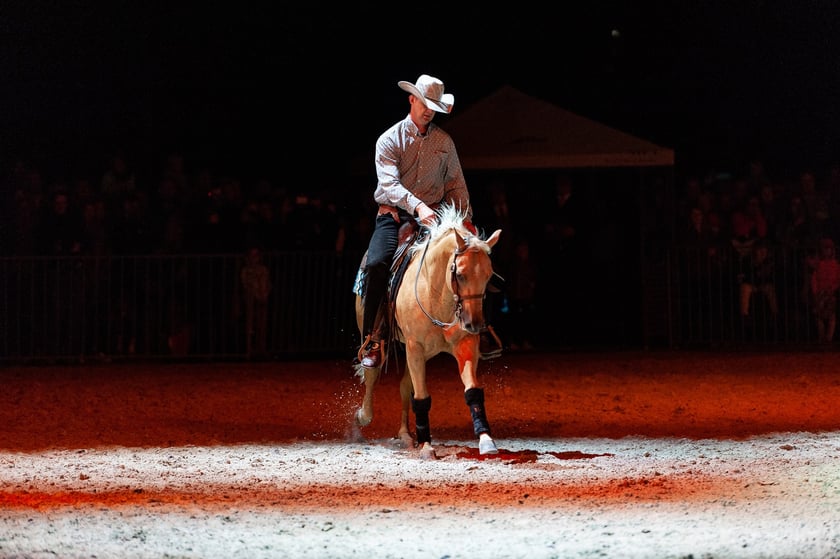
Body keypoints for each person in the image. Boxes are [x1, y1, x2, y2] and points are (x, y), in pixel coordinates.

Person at [357, 74, 497, 368]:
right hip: (393, 216)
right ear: (412, 99)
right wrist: (418, 206)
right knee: (376, 263)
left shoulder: (445, 143)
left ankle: (478, 328)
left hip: (435, 216)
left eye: (434, 105)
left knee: (472, 262)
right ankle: (374, 337)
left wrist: (465, 220)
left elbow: (456, 184)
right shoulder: (389, 139)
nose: (429, 110)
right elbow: (390, 185)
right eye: (424, 103)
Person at [810, 237, 840, 344]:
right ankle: (822, 337)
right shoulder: (819, 264)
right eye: (825, 248)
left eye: (829, 248)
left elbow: (838, 279)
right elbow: (814, 279)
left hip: (830, 293)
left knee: (832, 316)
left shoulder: (836, 265)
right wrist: (816, 291)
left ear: (832, 250)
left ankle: (829, 338)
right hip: (820, 293)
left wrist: (833, 288)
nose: (827, 251)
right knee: (819, 316)